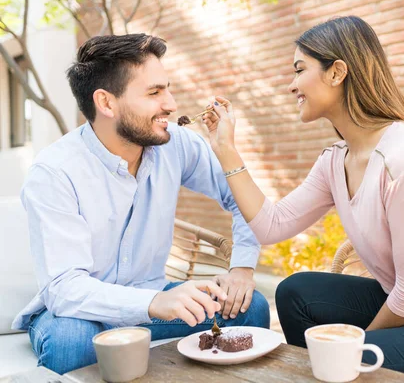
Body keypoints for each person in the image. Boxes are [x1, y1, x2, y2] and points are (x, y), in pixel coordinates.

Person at [201, 16, 404, 382]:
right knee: (297, 292)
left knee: (343, 360)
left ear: (337, 72)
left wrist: (348, 347)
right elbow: (271, 225)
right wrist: (225, 149)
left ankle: (337, 372)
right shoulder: (335, 160)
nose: (292, 85)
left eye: (300, 70)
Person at [13, 33, 270, 374]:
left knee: (251, 309)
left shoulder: (176, 144)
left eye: (167, 88)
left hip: (154, 298)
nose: (171, 103)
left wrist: (242, 268)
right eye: (154, 93)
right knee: (72, 341)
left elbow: (242, 199)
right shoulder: (55, 172)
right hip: (81, 314)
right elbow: (65, 289)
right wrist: (154, 302)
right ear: (106, 103)